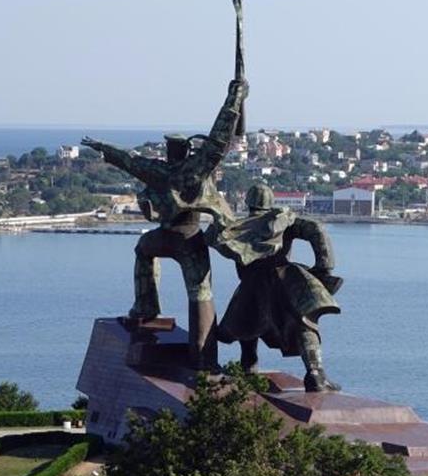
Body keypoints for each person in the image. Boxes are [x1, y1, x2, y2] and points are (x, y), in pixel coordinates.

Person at [81, 78, 247, 370]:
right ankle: (204, 357)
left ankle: (146, 306)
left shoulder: (157, 170)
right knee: (200, 292)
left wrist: (101, 147)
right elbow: (219, 139)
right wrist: (234, 98)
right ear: (187, 150)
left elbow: (128, 160)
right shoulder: (197, 168)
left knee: (143, 250)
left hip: (164, 236)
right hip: (190, 238)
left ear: (170, 150)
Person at [208, 183, 343, 391]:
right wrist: (324, 267)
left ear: (248, 202)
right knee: (305, 323)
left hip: (252, 285)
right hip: (286, 280)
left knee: (247, 326)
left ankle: (248, 368)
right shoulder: (283, 220)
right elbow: (316, 229)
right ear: (271, 202)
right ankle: (315, 373)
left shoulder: (238, 227)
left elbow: (209, 240)